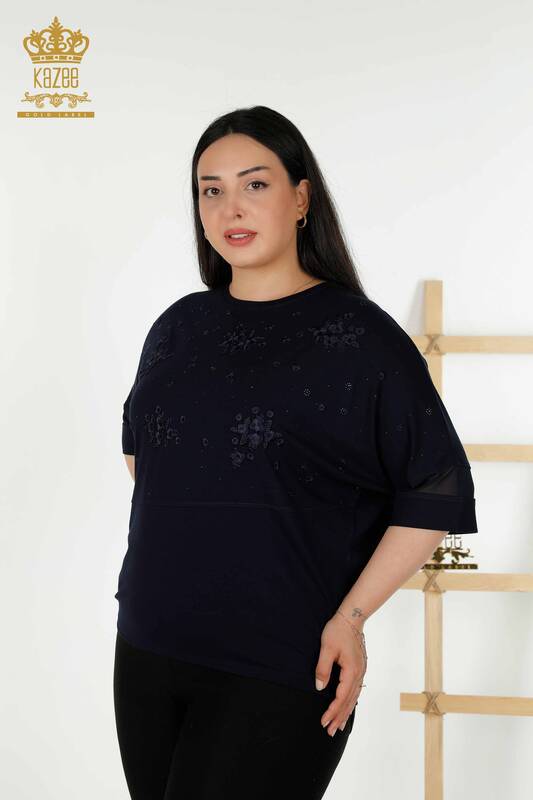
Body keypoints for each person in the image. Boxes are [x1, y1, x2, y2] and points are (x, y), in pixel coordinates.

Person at [113, 105, 478, 799]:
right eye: (211, 190)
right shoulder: (179, 327)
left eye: (255, 184)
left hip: (283, 659)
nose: (230, 208)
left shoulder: (360, 337)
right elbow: (145, 457)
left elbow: (435, 489)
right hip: (149, 643)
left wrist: (350, 618)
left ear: (301, 197)